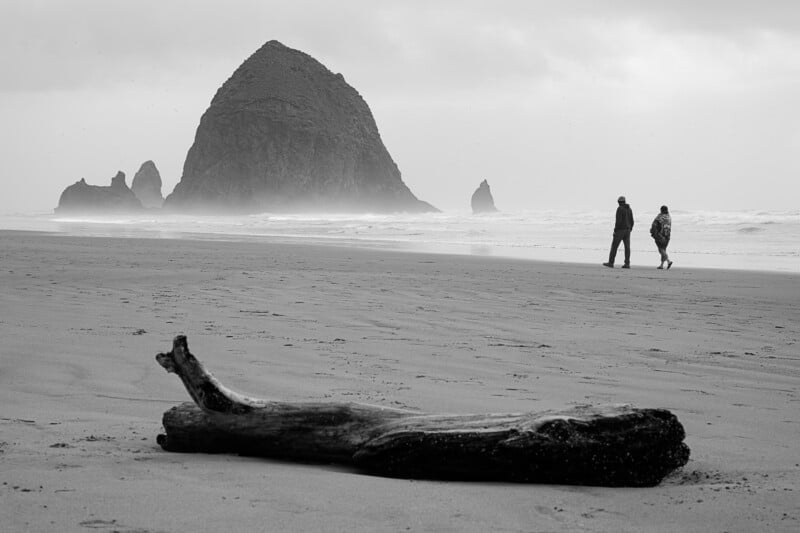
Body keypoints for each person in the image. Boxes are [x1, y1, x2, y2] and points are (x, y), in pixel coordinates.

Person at [603, 196, 634, 268]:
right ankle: (627, 263)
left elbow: (618, 221)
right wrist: (630, 228)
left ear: (619, 202)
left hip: (620, 230)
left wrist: (615, 230)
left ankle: (611, 262)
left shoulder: (620, 209)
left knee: (614, 246)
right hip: (628, 230)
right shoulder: (629, 209)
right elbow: (632, 221)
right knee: (627, 247)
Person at [650, 205, 673, 269]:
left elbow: (654, 225)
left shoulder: (659, 217)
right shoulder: (669, 217)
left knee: (661, 250)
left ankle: (669, 261)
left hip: (660, 236)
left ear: (661, 210)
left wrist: (653, 233)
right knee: (664, 250)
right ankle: (661, 265)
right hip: (667, 236)